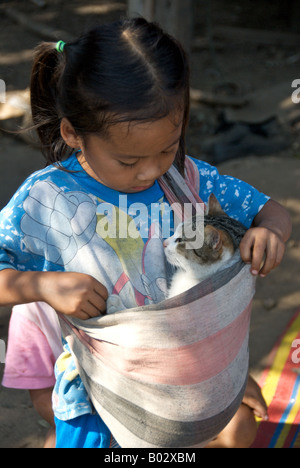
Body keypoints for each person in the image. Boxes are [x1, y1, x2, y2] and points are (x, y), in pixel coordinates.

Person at [0, 17, 291, 448]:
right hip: (99, 395)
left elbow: (271, 210)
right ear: (72, 133)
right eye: (127, 161)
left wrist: (271, 233)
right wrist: (43, 285)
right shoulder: (46, 201)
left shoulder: (188, 179)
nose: (152, 170)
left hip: (190, 378)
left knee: (238, 429)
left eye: (167, 148)